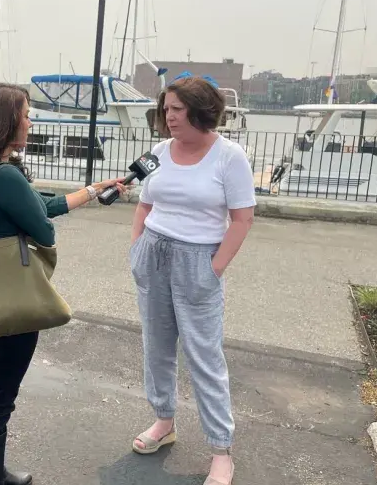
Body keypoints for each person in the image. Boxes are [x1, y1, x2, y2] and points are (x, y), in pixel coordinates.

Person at [0, 82, 130, 485]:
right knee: (0, 397)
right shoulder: (6, 175)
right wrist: (41, 217)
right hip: (16, 299)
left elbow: (42, 206)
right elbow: (43, 229)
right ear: (6, 122)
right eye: (26, 113)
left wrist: (91, 190)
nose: (31, 122)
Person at [129, 76, 256, 485]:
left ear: (200, 112)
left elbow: (242, 219)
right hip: (154, 253)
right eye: (166, 109)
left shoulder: (229, 156)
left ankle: (221, 450)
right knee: (157, 346)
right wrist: (137, 251)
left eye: (177, 110)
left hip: (199, 259)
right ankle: (164, 421)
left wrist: (213, 268)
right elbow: (143, 205)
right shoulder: (159, 152)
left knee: (205, 357)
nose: (168, 117)